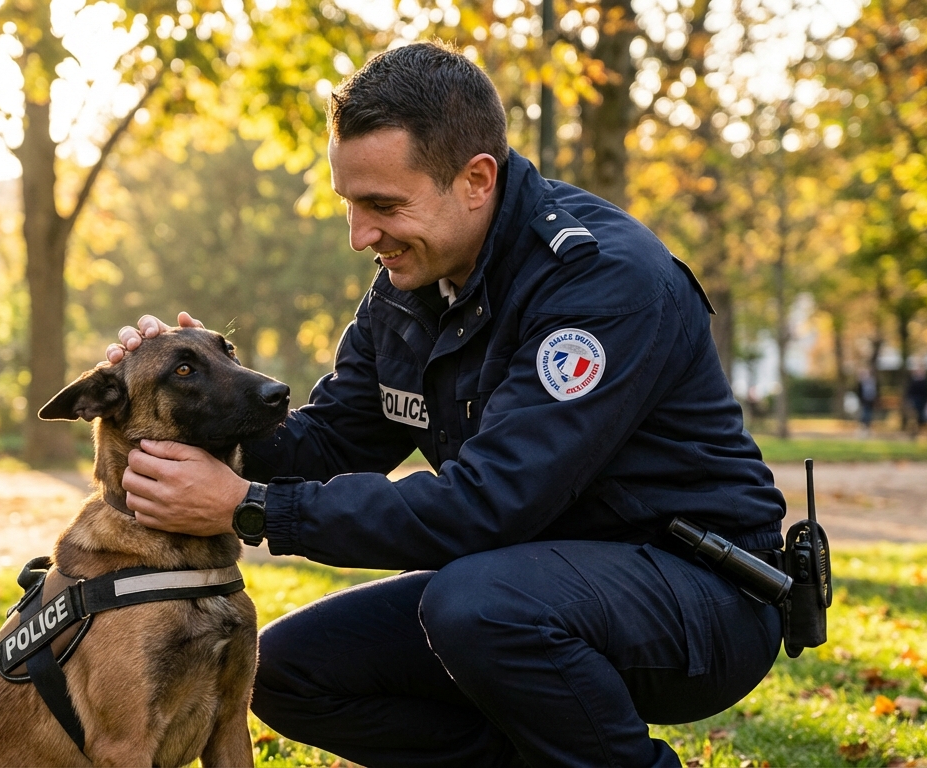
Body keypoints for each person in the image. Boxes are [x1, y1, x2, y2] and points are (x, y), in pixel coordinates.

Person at [104, 42, 784, 767]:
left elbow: (488, 505)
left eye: (383, 205)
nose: (361, 235)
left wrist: (251, 507)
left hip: (700, 596)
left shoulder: (599, 284)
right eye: (350, 204)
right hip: (529, 584)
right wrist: (184, 392)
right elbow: (332, 442)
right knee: (289, 670)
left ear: (476, 180)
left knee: (478, 603)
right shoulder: (410, 284)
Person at [905, 364, 927, 435]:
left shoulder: (924, 381)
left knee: (921, 417)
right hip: (915, 401)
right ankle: (913, 431)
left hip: (922, 401)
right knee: (913, 417)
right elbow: (910, 392)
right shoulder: (914, 381)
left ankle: (920, 431)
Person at [856, 367, 878, 436]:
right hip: (867, 400)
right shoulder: (868, 382)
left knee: (866, 414)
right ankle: (865, 427)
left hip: (868, 400)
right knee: (866, 414)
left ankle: (865, 427)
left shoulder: (868, 382)